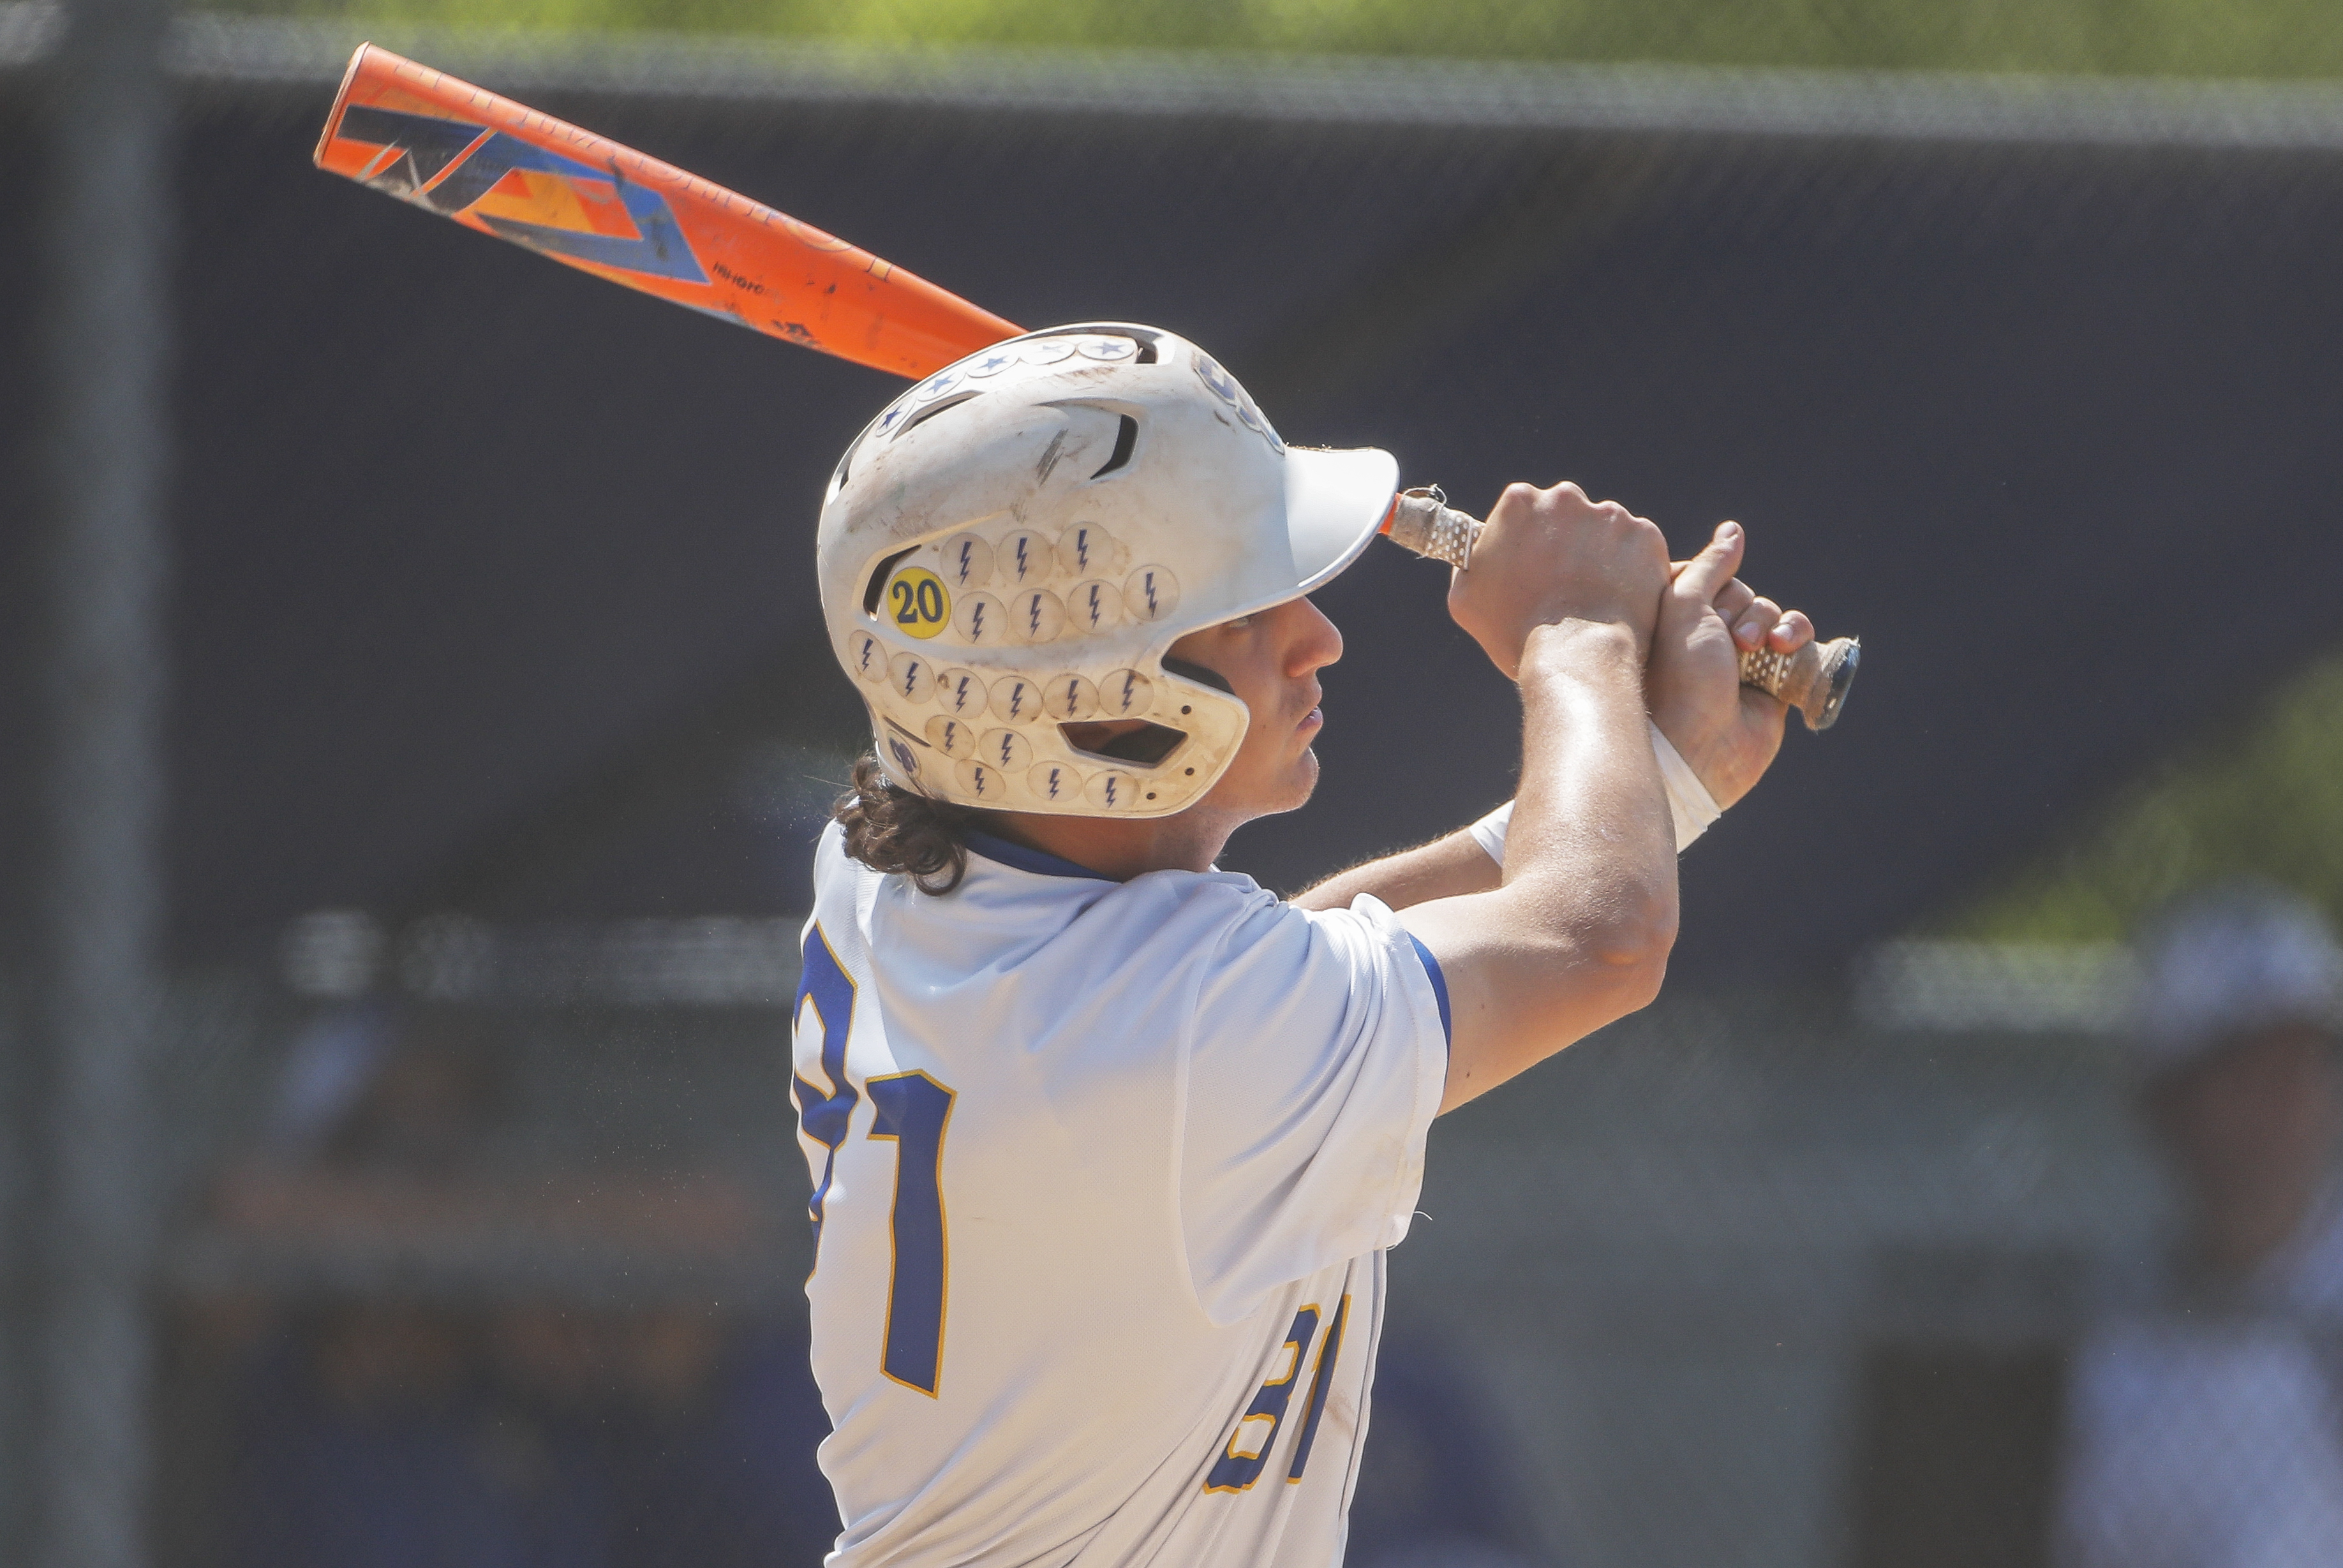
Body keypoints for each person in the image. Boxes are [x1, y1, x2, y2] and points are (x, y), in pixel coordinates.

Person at [791, 323, 1813, 1565]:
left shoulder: (906, 868)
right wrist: (1576, 640)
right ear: (1099, 697)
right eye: (1240, 609)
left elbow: (1305, 967)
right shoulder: (1176, 1036)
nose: (1315, 637)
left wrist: (1652, 778)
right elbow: (1597, 936)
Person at [2056, 883, 2343, 1568]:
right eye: (2242, 1070)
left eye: (2301, 1062)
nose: (2284, 1099)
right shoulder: (2121, 1336)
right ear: (2167, 1103)